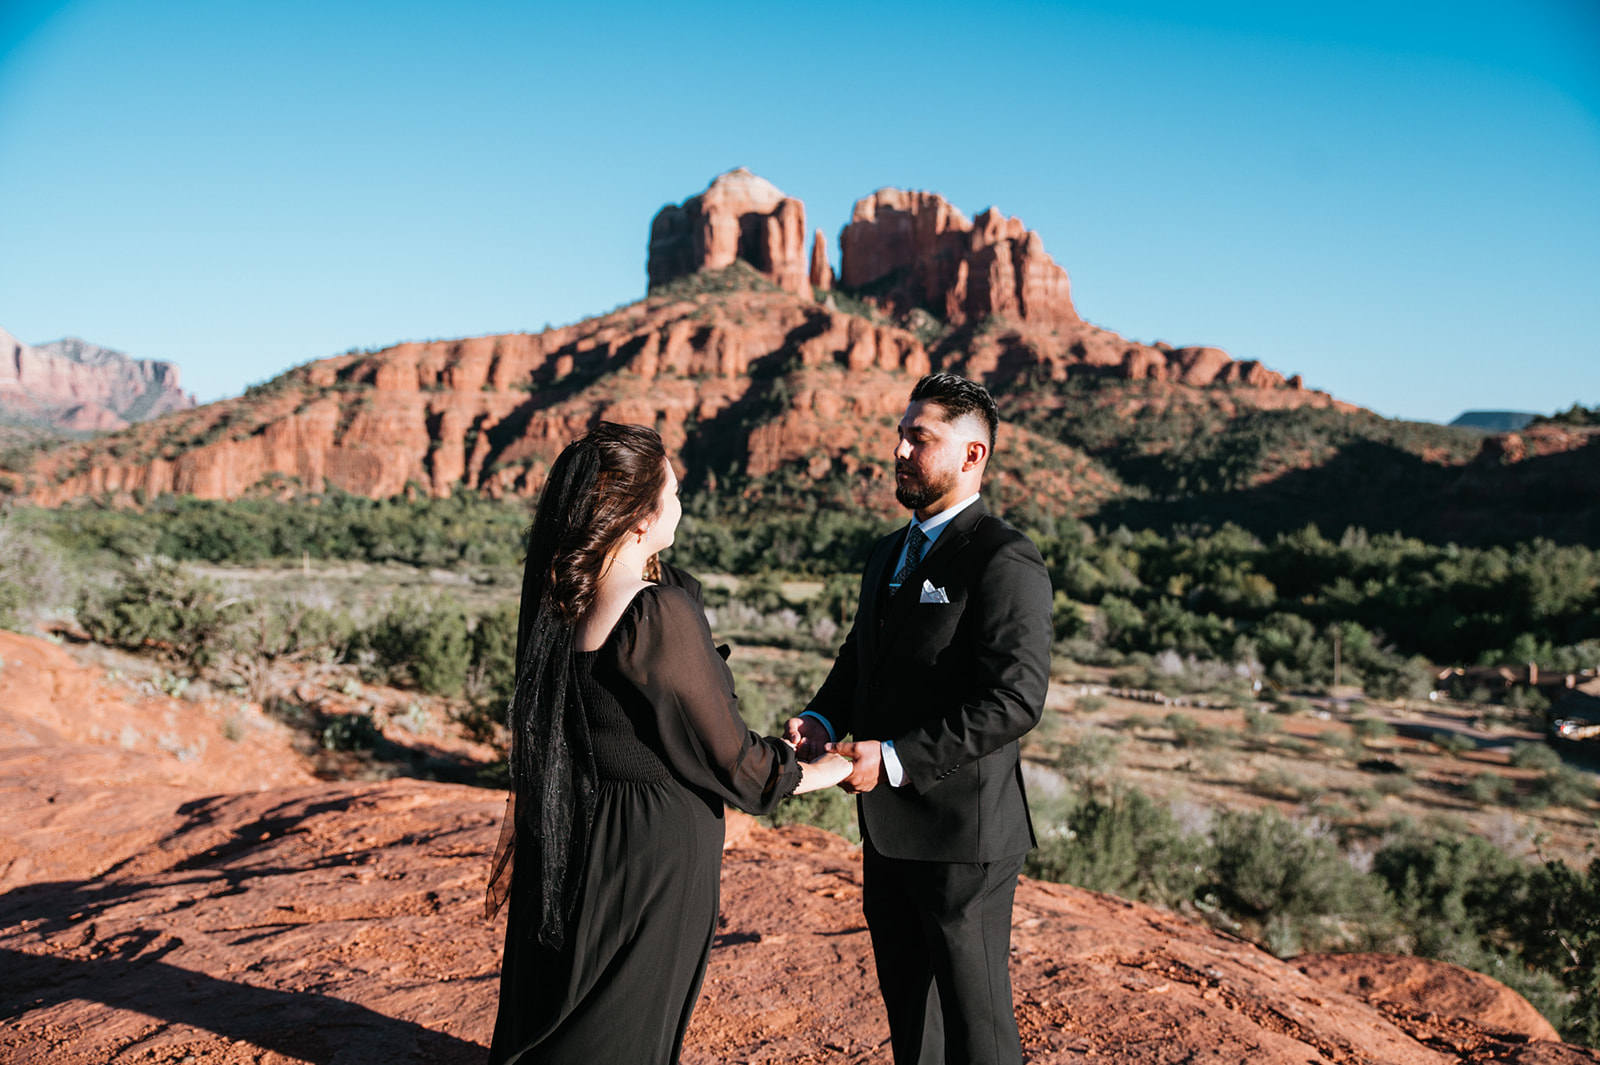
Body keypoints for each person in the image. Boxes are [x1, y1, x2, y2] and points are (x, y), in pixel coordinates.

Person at [487, 422, 850, 1065]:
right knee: (630, 1018)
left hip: (582, 830)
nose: (681, 505)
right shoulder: (655, 613)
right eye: (672, 493)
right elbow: (736, 760)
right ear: (638, 518)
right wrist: (823, 769)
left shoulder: (561, 600)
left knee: (586, 1000)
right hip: (652, 852)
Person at [785, 374, 1053, 1065]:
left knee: (978, 1031)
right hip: (888, 832)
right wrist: (822, 713)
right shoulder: (886, 553)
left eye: (919, 437)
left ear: (972, 457)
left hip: (966, 838)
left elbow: (1015, 699)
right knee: (913, 1023)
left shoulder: (1003, 557)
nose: (898, 448)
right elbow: (861, 658)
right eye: (900, 433)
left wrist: (895, 757)